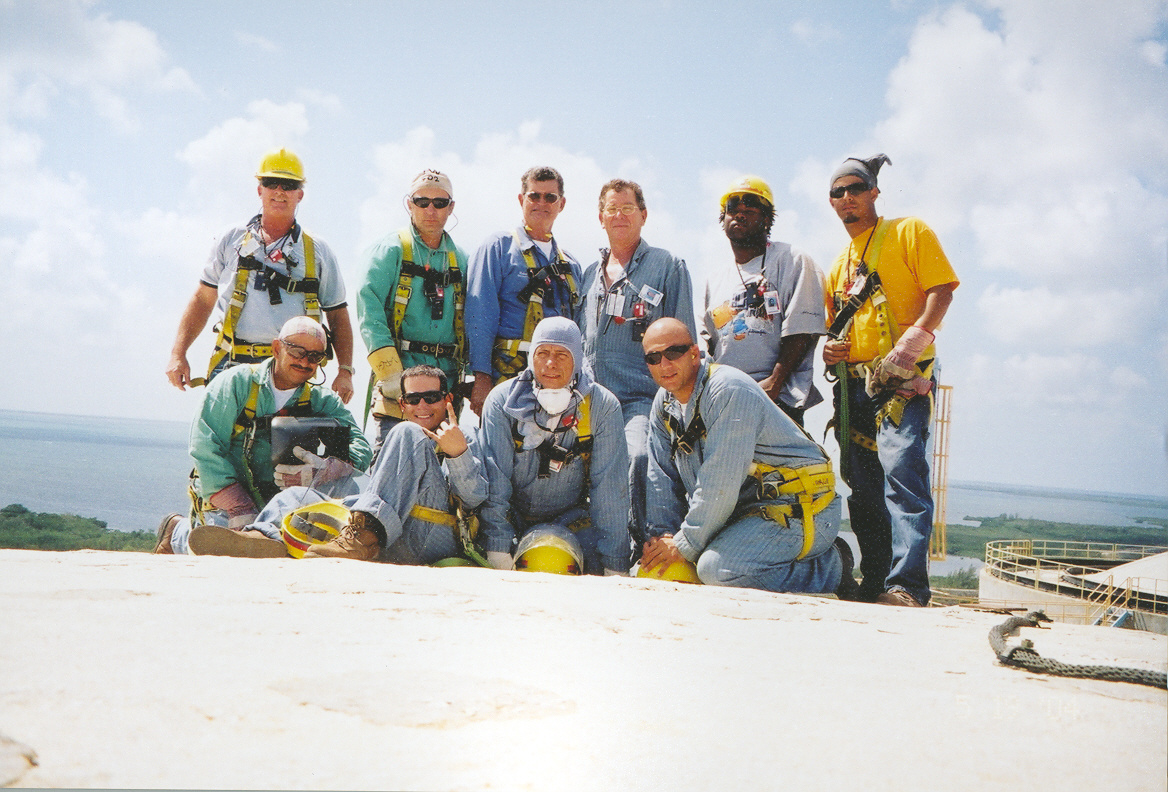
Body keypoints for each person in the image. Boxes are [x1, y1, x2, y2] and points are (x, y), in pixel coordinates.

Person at [822, 154, 959, 607]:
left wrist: (914, 342)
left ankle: (908, 586)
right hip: (855, 389)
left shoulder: (908, 232)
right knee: (863, 490)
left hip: (902, 382)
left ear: (874, 193)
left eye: (855, 189)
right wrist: (831, 350)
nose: (847, 199)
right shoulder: (839, 264)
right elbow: (834, 329)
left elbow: (941, 289)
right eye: (838, 193)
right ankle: (876, 580)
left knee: (902, 477)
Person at [641, 318, 854, 595]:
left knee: (716, 570)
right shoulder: (665, 402)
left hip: (800, 507)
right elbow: (660, 476)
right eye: (654, 357)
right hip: (743, 510)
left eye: (674, 353)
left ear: (694, 353)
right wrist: (664, 536)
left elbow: (721, 483)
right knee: (662, 563)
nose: (665, 365)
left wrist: (684, 544)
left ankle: (832, 566)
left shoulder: (728, 389)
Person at [154, 316, 372, 555]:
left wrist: (326, 469)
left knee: (345, 484)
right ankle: (176, 532)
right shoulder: (236, 383)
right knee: (219, 547)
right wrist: (239, 506)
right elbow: (204, 445)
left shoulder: (322, 400)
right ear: (277, 348)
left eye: (314, 357)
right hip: (229, 492)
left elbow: (361, 447)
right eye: (297, 352)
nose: (305, 362)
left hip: (280, 499)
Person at [165, 148, 356, 403]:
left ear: (300, 194)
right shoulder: (231, 239)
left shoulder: (317, 250)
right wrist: (178, 353)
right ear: (259, 190)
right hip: (233, 364)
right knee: (219, 441)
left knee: (290, 442)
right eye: (270, 183)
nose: (279, 191)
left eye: (288, 185)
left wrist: (345, 372)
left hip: (295, 371)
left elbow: (337, 313)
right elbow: (203, 298)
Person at [577, 178, 696, 548]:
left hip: (641, 400)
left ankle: (647, 549)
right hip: (590, 401)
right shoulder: (586, 275)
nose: (619, 216)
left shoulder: (667, 266)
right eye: (612, 209)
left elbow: (685, 340)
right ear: (600, 218)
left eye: (628, 208)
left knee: (639, 457)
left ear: (643, 215)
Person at [478, 317, 631, 575]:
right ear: (531, 357)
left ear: (578, 360)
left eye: (562, 354)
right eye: (543, 353)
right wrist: (497, 546)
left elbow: (609, 490)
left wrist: (614, 565)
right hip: (511, 519)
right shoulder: (502, 401)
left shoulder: (602, 406)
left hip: (572, 519)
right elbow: (496, 480)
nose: (551, 363)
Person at [299, 365, 488, 564]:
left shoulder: (465, 436)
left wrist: (458, 454)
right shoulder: (399, 443)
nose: (422, 406)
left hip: (435, 535)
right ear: (402, 404)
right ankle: (267, 535)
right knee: (294, 497)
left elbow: (473, 498)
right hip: (394, 532)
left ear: (447, 399)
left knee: (406, 430)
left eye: (432, 398)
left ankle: (364, 541)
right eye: (413, 400)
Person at [357, 170, 468, 451]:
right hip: (399, 384)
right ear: (410, 204)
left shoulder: (462, 261)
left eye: (440, 203)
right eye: (422, 202)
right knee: (392, 462)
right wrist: (392, 376)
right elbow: (369, 311)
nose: (431, 210)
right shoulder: (389, 250)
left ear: (451, 207)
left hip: (445, 386)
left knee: (441, 467)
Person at [702, 176, 825, 426]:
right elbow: (708, 345)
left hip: (778, 400)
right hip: (728, 401)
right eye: (732, 210)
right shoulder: (714, 279)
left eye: (750, 209)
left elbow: (803, 332)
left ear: (767, 219)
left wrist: (774, 383)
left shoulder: (792, 259)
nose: (739, 215)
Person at [465, 166, 581, 416]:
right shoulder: (497, 248)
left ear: (561, 204)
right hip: (506, 379)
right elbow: (479, 315)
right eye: (534, 196)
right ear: (521, 199)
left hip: (557, 383)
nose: (542, 203)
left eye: (550, 197)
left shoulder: (571, 264)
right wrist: (481, 378)